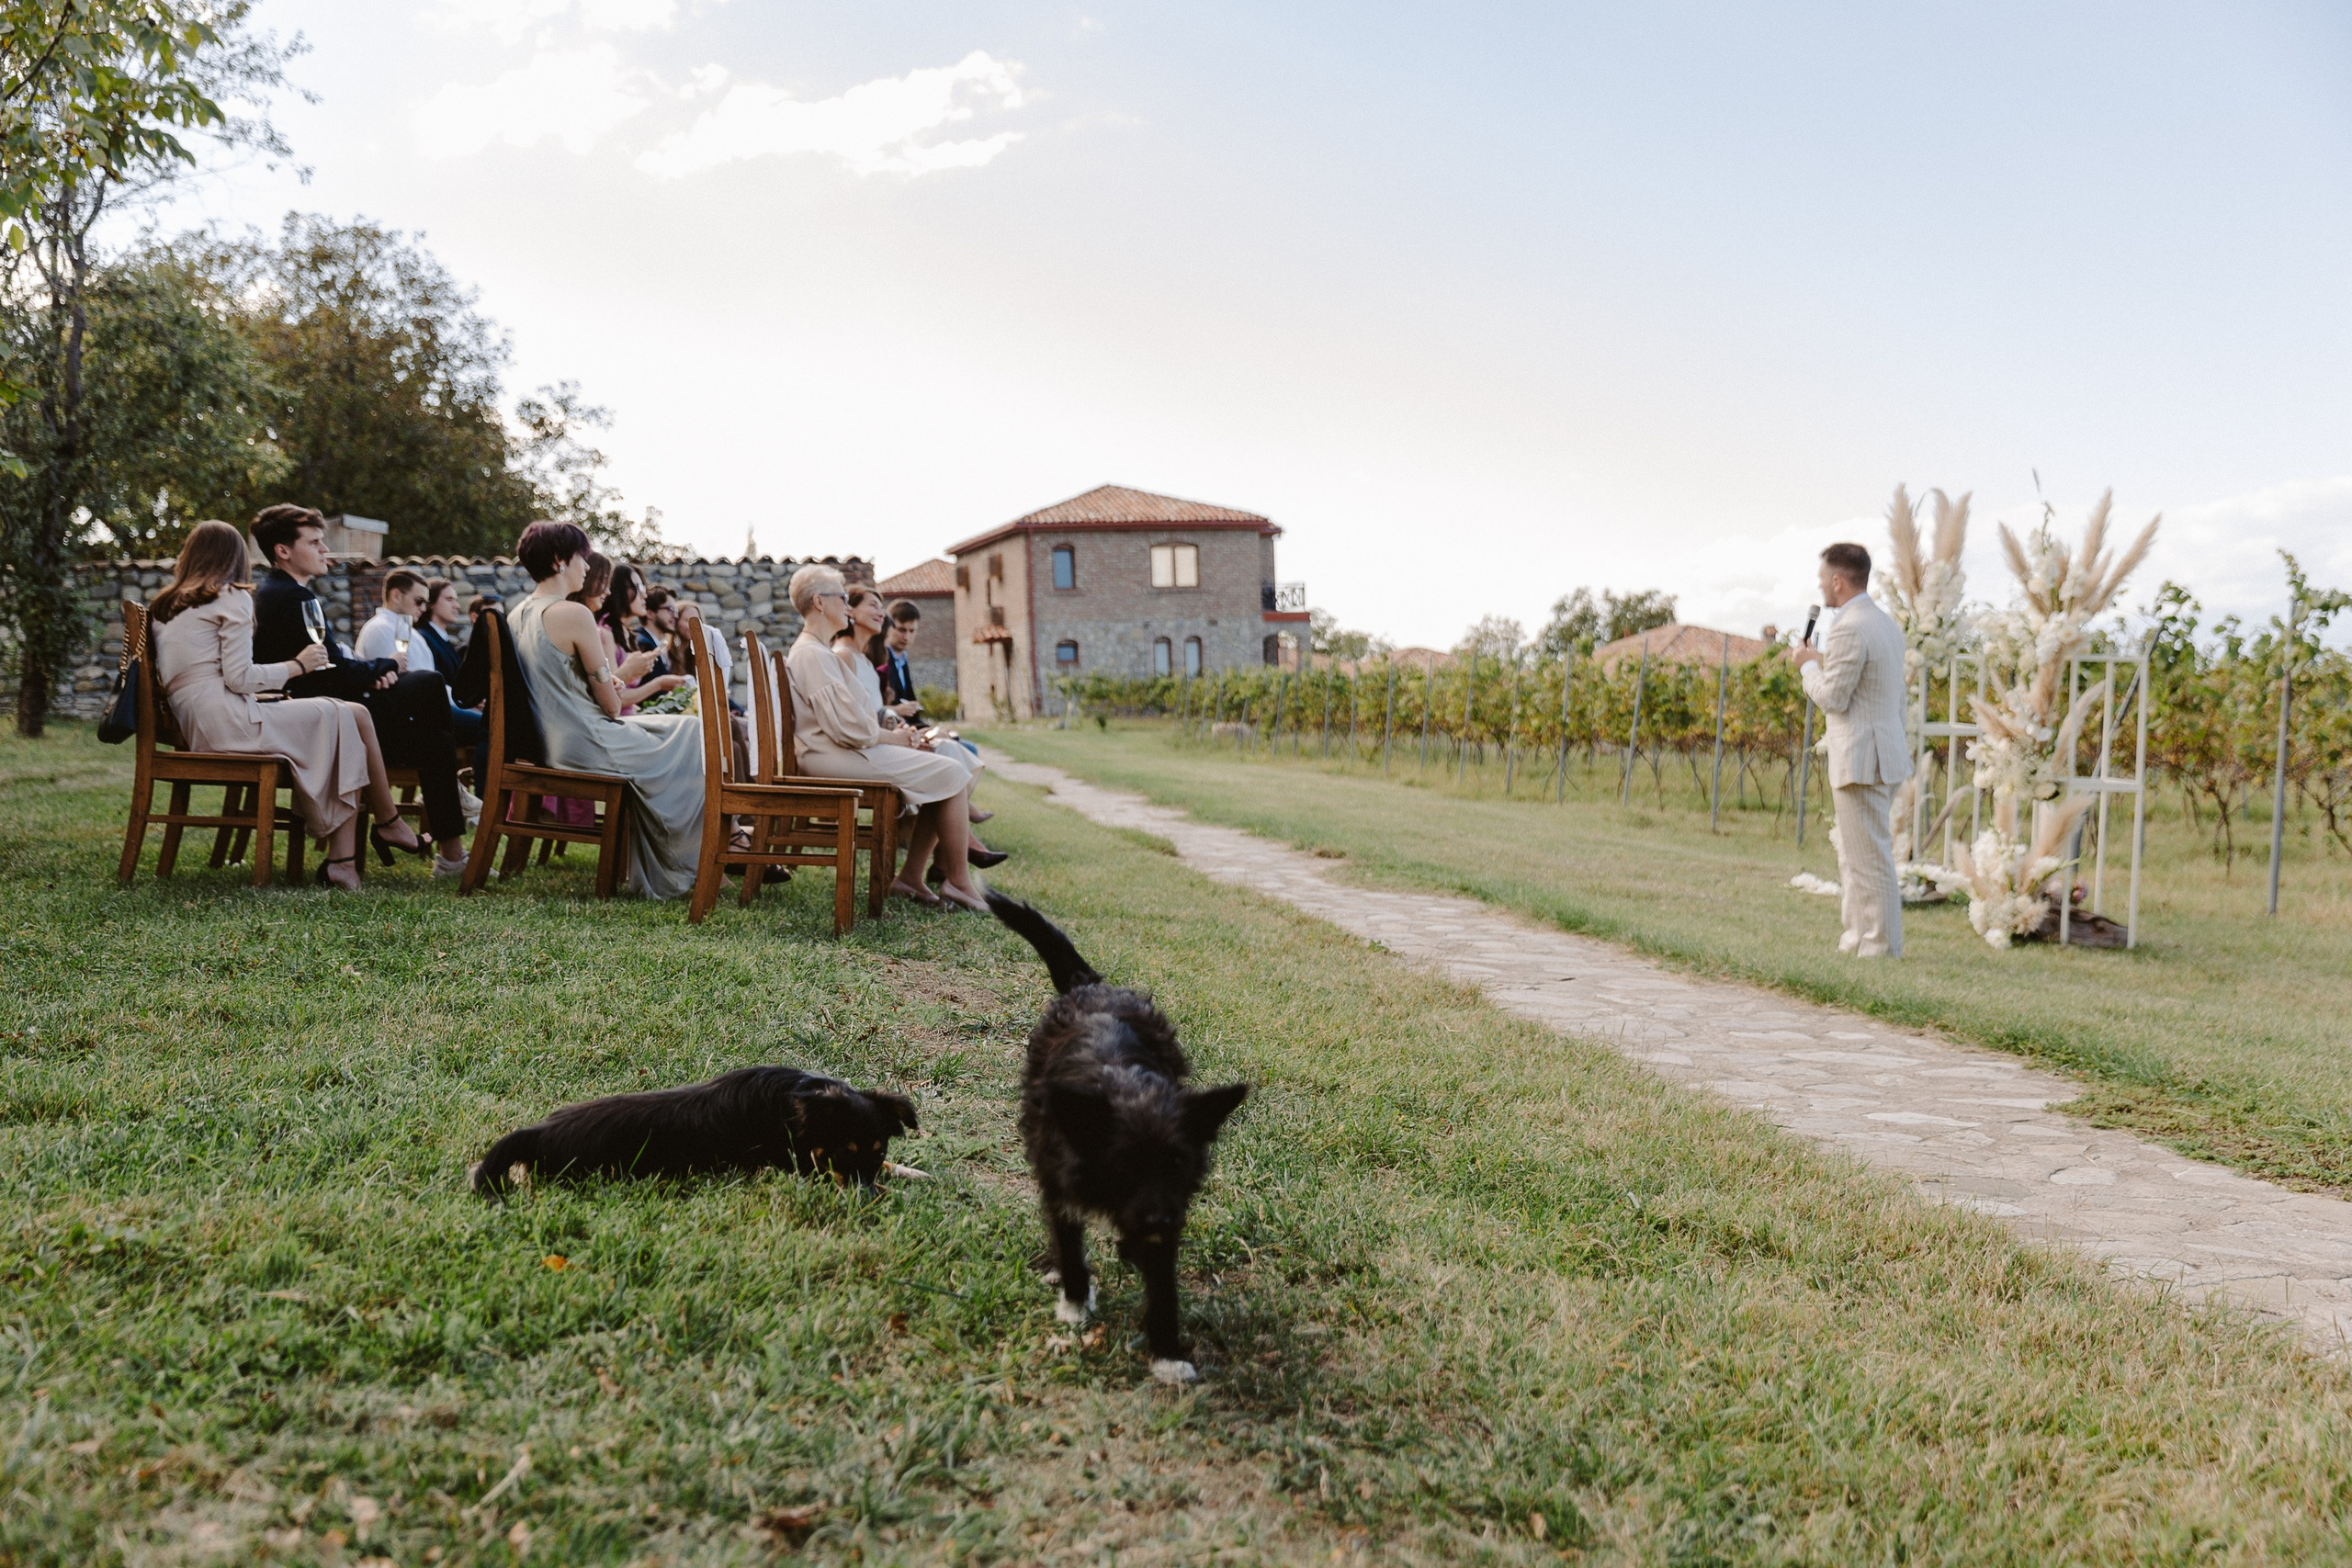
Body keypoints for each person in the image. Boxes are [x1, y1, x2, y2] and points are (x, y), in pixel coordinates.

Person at [148, 521, 431, 891]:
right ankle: (351, 854)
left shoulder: (165, 606)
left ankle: (375, 832)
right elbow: (239, 678)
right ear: (236, 559)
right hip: (228, 722)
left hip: (199, 722)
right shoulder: (230, 597)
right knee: (340, 713)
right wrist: (297, 666)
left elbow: (208, 678)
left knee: (352, 713)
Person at [250, 505, 470, 877]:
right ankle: (443, 844)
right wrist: (381, 667)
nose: (325, 550)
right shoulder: (288, 596)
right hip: (318, 715)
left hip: (334, 701)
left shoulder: (287, 592)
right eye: (315, 542)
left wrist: (371, 674)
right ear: (283, 550)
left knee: (434, 738)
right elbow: (327, 668)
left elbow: (330, 665)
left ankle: (447, 850)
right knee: (431, 698)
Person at [507, 520, 707, 899]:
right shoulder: (573, 614)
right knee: (694, 733)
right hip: (586, 740)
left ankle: (667, 857)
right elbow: (613, 707)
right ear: (559, 560)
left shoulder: (517, 614)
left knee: (679, 730)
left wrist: (612, 680)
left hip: (554, 739)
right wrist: (627, 672)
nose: (587, 565)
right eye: (582, 556)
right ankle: (681, 864)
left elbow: (562, 684)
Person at [786, 566, 990, 911]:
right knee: (951, 773)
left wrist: (893, 735)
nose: (847, 606)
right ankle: (957, 882)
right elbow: (848, 729)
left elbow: (857, 719)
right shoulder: (812, 653)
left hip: (843, 750)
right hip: (833, 756)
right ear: (819, 602)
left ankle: (915, 877)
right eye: (841, 597)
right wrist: (895, 741)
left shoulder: (818, 652)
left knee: (947, 770)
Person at [1792, 541, 1913, 958]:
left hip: (1863, 759)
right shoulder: (1883, 623)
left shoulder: (1848, 626)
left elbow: (1833, 698)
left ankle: (1880, 947)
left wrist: (1807, 665)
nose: (1821, 584)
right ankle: (1855, 937)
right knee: (1855, 855)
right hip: (1885, 753)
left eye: (1823, 577)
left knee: (1869, 860)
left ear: (1838, 581)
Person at [412, 578, 490, 812]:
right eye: (449, 599)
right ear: (431, 603)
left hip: (455, 707)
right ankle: (484, 804)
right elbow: (434, 684)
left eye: (457, 600)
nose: (456, 605)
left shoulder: (443, 639)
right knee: (491, 727)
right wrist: (469, 703)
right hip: (436, 715)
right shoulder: (424, 637)